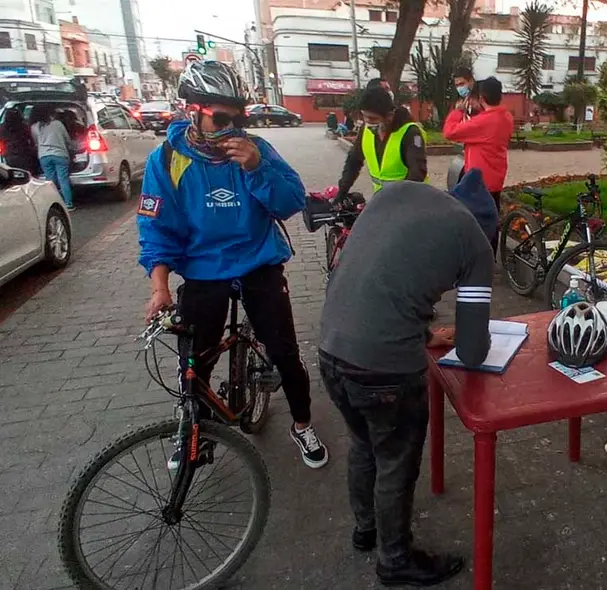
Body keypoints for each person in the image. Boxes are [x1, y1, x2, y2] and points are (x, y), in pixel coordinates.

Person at [136, 60, 329, 469]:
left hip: (258, 261)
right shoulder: (168, 158)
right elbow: (156, 227)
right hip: (203, 268)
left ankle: (302, 423)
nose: (231, 128)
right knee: (195, 362)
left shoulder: (255, 148)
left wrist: (256, 166)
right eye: (221, 118)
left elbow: (292, 202)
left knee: (284, 351)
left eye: (237, 117)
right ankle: (196, 433)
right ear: (194, 110)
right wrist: (160, 287)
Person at [319, 173, 497, 586]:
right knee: (396, 462)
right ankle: (395, 560)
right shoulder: (475, 243)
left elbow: (382, 277)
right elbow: (471, 353)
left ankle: (366, 530)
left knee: (364, 443)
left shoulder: (396, 192)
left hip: (331, 348)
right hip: (385, 371)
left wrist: (423, 332)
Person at [443, 76, 513, 250]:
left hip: (479, 180)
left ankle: (479, 259)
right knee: (492, 217)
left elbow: (450, 132)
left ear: (481, 98)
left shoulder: (484, 122)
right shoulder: (506, 116)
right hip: (496, 176)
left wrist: (458, 111)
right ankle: (490, 258)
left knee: (477, 222)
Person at [336, 86, 427, 194]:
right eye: (364, 116)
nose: (367, 122)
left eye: (373, 118)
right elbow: (354, 161)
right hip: (381, 198)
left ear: (389, 116)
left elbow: (417, 172)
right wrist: (342, 192)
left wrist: (400, 200)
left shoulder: (410, 133)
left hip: (410, 199)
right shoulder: (365, 129)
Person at [29, 103, 75, 211]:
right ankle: (68, 204)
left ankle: (54, 204)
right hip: (59, 155)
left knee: (50, 181)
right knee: (63, 179)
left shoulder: (34, 127)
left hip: (44, 156)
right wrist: (71, 148)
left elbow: (36, 143)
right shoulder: (57, 124)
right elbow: (67, 139)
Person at [0, 109, 39, 175]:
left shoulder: (1, 128)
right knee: (27, 175)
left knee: (13, 175)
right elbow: (31, 139)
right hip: (24, 154)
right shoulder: (24, 127)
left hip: (9, 155)